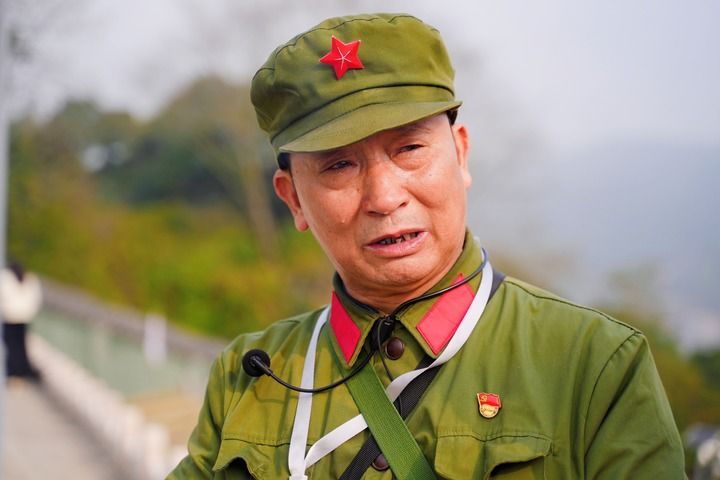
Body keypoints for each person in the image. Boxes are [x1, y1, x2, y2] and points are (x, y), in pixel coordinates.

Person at [168, 13, 684, 479]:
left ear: (460, 154)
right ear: (294, 200)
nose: (384, 197)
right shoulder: (249, 378)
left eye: (409, 148)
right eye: (339, 165)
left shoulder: (592, 364)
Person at [1, 262, 43, 382]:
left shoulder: (6, 277)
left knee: (12, 347)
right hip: (24, 318)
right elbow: (36, 299)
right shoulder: (30, 279)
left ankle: (15, 373)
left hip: (10, 318)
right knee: (20, 346)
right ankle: (19, 373)